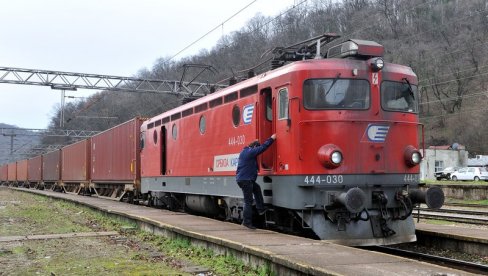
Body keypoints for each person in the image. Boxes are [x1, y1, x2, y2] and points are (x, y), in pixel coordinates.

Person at [236, 134, 276, 229]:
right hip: (246, 180)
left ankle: (260, 209)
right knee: (248, 201)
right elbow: (262, 148)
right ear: (254, 147)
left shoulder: (244, 151)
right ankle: (247, 222)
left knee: (257, 188)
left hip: (244, 179)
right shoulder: (250, 152)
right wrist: (271, 139)